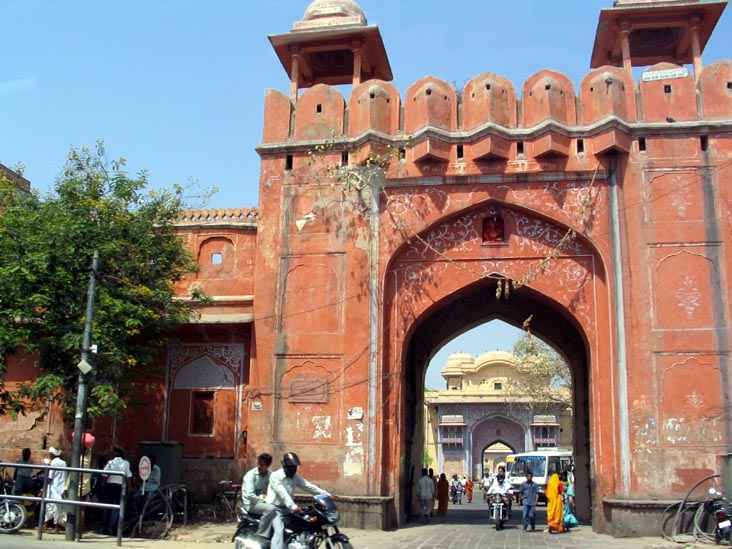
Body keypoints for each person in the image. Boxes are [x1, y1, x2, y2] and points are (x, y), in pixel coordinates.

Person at [261, 452, 327, 549]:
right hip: (273, 508)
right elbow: (283, 493)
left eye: (295, 466)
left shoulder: (295, 477)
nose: (293, 468)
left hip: (287, 508)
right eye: (291, 466)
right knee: (279, 530)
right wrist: (293, 506)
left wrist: (325, 494)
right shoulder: (275, 476)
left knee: (301, 523)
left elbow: (307, 486)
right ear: (285, 466)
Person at [243, 453, 277, 539]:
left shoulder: (270, 475)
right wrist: (262, 498)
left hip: (263, 502)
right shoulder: (251, 475)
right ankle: (261, 535)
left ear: (268, 465)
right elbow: (250, 495)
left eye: (262, 465)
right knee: (271, 509)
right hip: (251, 504)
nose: (259, 467)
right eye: (259, 464)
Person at [101, 447, 132, 536]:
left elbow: (104, 476)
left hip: (109, 486)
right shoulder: (126, 463)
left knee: (106, 507)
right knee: (117, 508)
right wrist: (129, 489)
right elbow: (128, 478)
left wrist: (103, 485)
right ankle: (113, 529)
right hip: (119, 487)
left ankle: (104, 529)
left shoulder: (110, 463)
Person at [44, 447, 67, 533]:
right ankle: (45, 524)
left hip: (54, 488)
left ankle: (55, 527)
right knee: (58, 508)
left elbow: (50, 478)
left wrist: (43, 487)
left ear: (52, 454)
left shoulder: (53, 463)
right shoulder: (64, 463)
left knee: (52, 507)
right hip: (61, 487)